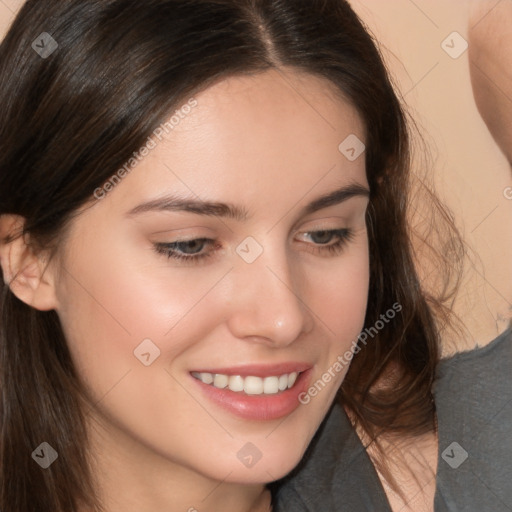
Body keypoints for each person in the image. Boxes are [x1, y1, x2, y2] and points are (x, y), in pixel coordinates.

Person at [0, 1, 462, 511]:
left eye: (325, 234)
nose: (282, 318)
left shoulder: (467, 466)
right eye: (190, 245)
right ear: (28, 259)